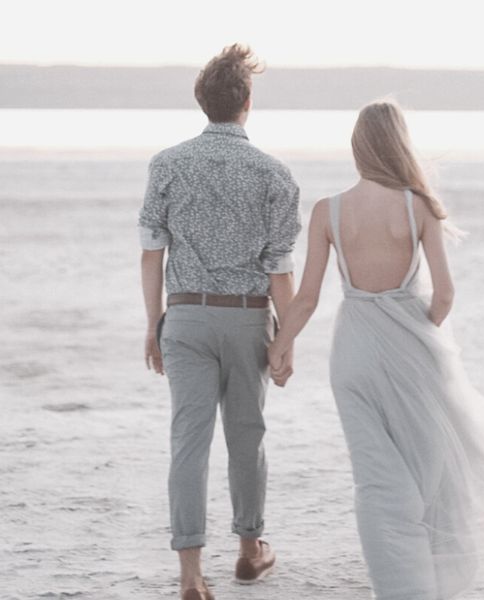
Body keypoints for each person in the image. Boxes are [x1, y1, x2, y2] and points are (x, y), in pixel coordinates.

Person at [268, 99, 484, 599]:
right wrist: (417, 331)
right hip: (412, 352)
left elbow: (309, 297)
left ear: (358, 147)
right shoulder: (416, 205)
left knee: (375, 480)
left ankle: (395, 590)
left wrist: (279, 347)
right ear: (399, 143)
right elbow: (444, 294)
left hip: (352, 352)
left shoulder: (327, 211)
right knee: (432, 473)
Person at [139, 44, 301, 600]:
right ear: (247, 102)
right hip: (247, 320)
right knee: (246, 437)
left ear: (200, 101)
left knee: (188, 441)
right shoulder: (274, 174)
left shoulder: (166, 163)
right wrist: (287, 339)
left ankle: (190, 575)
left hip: (182, 314)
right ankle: (249, 551)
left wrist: (152, 322)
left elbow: (151, 253)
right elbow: (280, 269)